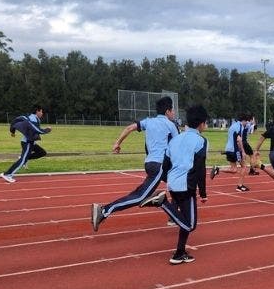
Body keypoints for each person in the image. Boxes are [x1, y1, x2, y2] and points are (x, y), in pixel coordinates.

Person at [90, 96, 179, 232]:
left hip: (150, 164)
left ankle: (173, 215)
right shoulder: (171, 125)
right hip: (160, 166)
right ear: (167, 111)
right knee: (140, 196)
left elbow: (129, 128)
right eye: (172, 110)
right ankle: (104, 210)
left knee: (177, 184)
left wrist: (117, 143)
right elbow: (178, 146)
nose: (174, 113)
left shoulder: (148, 122)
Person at [140, 104, 209, 264]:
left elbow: (165, 164)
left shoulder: (175, 139)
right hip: (187, 186)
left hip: (173, 184)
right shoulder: (201, 141)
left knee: (183, 220)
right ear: (201, 124)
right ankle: (163, 203)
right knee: (190, 225)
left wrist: (167, 180)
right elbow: (200, 169)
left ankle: (179, 252)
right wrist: (203, 193)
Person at [1, 105, 51, 183]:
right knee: (22, 160)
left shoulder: (32, 118)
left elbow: (16, 120)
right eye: (41, 111)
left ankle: (24, 158)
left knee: (42, 152)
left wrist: (12, 131)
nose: (42, 113)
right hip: (27, 143)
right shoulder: (32, 119)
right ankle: (7, 174)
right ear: (37, 111)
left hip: (31, 142)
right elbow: (36, 129)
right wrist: (47, 130)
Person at [211, 113, 249, 191]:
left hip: (229, 149)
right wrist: (243, 152)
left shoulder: (233, 126)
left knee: (234, 170)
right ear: (244, 120)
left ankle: (218, 169)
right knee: (244, 166)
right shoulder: (240, 126)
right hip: (235, 150)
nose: (247, 123)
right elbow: (239, 140)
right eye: (247, 122)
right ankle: (240, 186)